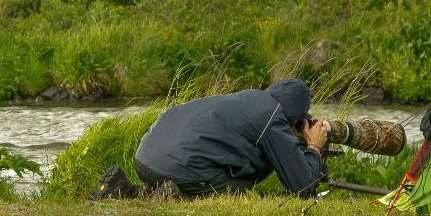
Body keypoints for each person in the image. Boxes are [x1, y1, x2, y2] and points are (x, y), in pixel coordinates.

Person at [87, 79, 327, 200]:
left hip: (146, 159)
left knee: (208, 173)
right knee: (246, 193)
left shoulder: (248, 100)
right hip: (182, 167)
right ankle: (171, 197)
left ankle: (131, 191)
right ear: (297, 116)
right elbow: (302, 187)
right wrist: (314, 146)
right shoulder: (273, 117)